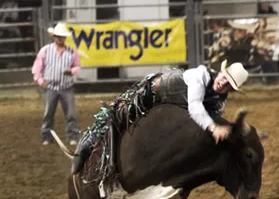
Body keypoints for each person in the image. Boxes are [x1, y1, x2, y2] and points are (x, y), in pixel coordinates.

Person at [71, 60, 249, 174]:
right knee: (120, 112)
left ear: (231, 90)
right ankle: (86, 143)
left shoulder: (219, 102)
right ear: (221, 73)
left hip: (174, 109)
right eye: (225, 78)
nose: (223, 84)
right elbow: (195, 107)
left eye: (229, 86)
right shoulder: (200, 75)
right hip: (156, 91)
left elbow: (210, 116)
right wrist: (214, 128)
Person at [31, 22, 82, 146]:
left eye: (62, 36)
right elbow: (37, 67)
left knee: (70, 114)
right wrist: (40, 80)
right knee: (48, 113)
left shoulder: (71, 52)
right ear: (54, 36)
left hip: (66, 86)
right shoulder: (45, 50)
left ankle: (72, 136)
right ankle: (46, 136)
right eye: (58, 36)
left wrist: (72, 71)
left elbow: (77, 66)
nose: (60, 38)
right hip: (51, 87)